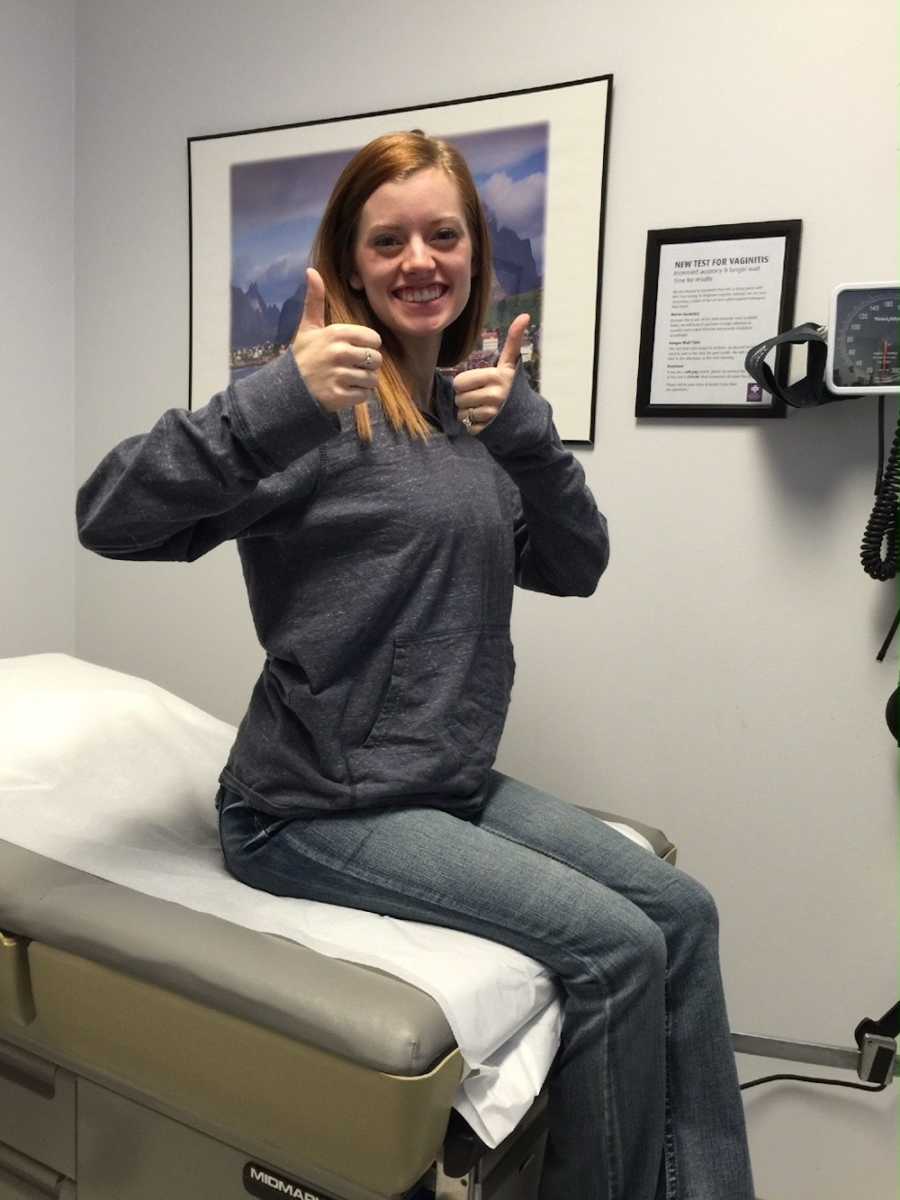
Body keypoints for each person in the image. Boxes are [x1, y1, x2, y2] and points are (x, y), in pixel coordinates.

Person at [76, 129, 755, 1200]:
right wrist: (268, 402)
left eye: (443, 235)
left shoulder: (470, 418)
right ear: (350, 266)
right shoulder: (306, 413)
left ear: (476, 254)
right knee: (617, 951)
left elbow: (577, 566)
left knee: (684, 910)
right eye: (387, 241)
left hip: (443, 782)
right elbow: (108, 518)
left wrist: (531, 439)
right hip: (309, 808)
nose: (418, 260)